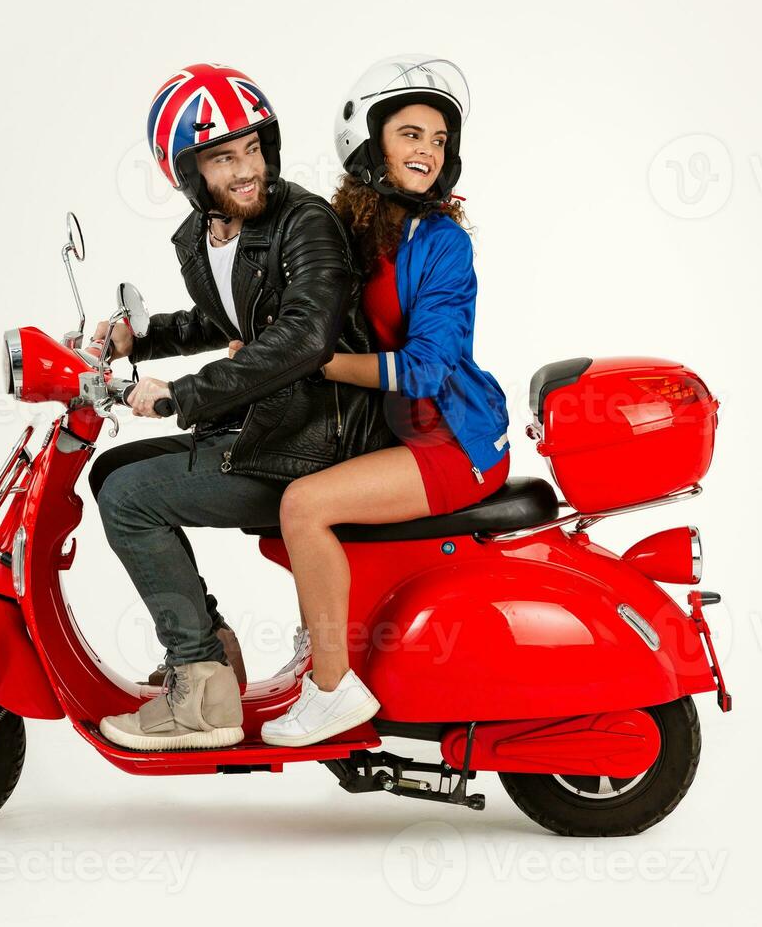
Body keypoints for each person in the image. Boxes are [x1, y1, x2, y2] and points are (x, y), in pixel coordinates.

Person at [90, 63, 394, 752]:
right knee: (110, 473)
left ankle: (201, 692)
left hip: (322, 439)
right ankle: (211, 648)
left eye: (254, 148)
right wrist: (140, 336)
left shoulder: (306, 223)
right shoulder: (202, 237)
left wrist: (184, 394)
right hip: (277, 422)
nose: (247, 168)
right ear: (188, 172)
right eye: (225, 157)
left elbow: (303, 336)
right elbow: (221, 316)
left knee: (133, 497)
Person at [259, 56, 512, 748]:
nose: (428, 150)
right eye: (410, 134)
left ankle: (333, 692)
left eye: (437, 139)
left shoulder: (443, 244)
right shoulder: (356, 231)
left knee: (303, 507)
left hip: (452, 441)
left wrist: (318, 363)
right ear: (369, 146)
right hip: (396, 434)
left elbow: (428, 369)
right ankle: (328, 647)